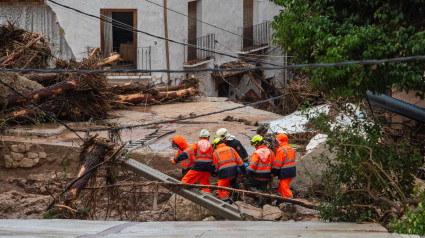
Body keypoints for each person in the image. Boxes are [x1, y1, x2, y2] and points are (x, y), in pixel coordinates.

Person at [212, 137, 246, 203]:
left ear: (216, 145)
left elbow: (217, 167)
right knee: (233, 182)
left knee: (221, 188)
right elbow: (240, 162)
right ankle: (236, 197)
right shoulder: (231, 149)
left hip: (224, 172)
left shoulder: (215, 153)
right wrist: (244, 171)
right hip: (234, 171)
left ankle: (226, 203)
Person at [245, 135, 274, 206]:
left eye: (254, 144)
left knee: (247, 184)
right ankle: (264, 204)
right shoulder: (270, 152)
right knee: (263, 188)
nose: (254, 146)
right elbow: (274, 165)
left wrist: (247, 174)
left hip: (257, 176)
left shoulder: (257, 153)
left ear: (258, 143)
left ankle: (259, 196)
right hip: (267, 176)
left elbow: (252, 167)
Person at [272, 133, 296, 199]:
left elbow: (277, 164)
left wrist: (274, 173)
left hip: (285, 171)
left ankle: (290, 201)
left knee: (284, 187)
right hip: (292, 170)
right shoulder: (290, 148)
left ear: (279, 141)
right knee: (282, 185)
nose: (275, 142)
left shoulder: (281, 150)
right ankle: (280, 198)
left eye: (276, 140)